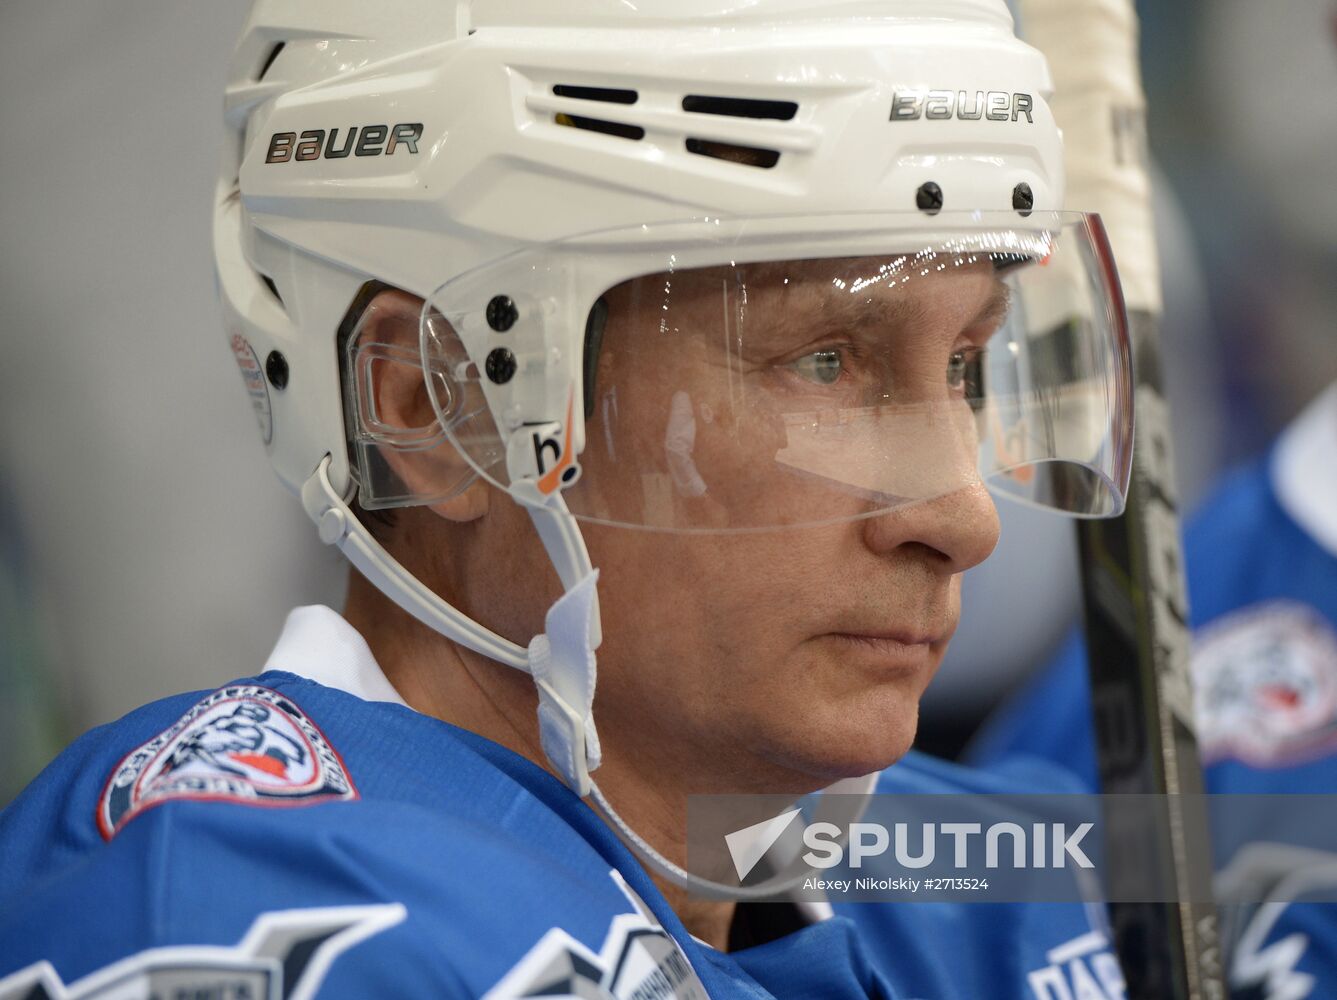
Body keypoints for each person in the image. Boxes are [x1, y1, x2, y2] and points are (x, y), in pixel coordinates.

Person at [0, 2, 1141, 996]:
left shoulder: (973, 860)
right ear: (434, 409)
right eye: (826, 364)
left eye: (964, 365)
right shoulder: (242, 910)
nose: (962, 517)